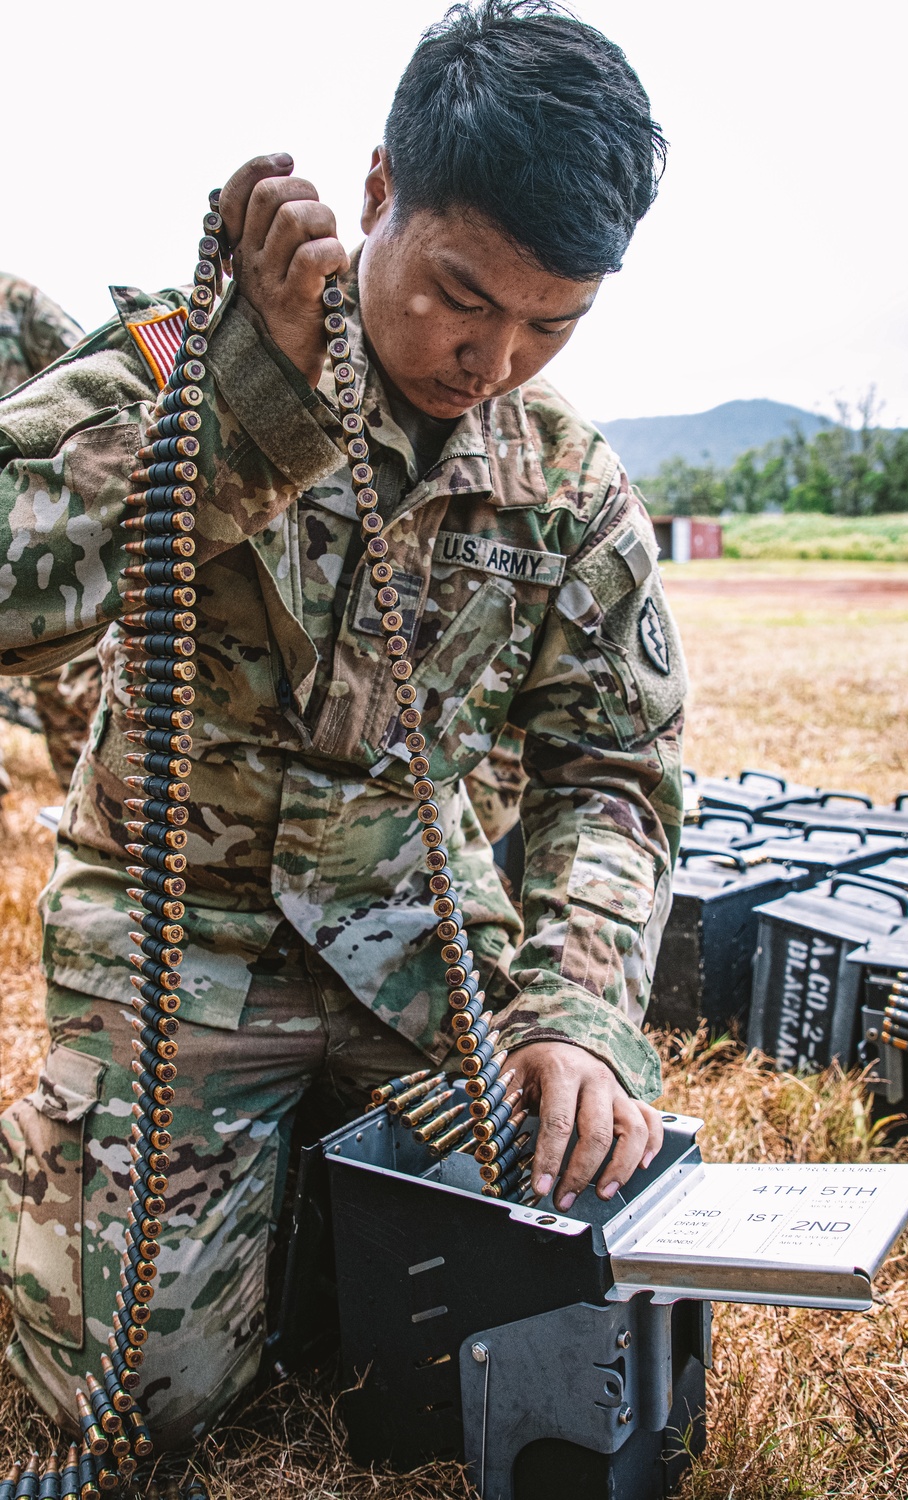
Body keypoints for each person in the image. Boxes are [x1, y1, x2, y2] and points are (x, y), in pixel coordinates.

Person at [0, 0, 687, 1446]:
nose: (491, 357)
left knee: (568, 1288)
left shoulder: (566, 483)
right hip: (190, 950)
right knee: (136, 1410)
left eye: (550, 322)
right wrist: (236, 419)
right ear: (379, 191)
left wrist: (571, 1006)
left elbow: (614, 772)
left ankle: (300, 1202)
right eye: (459, 292)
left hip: (423, 963)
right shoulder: (201, 359)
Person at [0, 274, 99, 793]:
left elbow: (87, 376)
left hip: (37, 532)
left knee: (68, 687)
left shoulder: (16, 303)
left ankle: (84, 804)